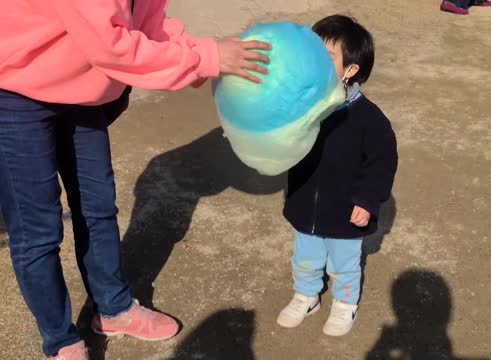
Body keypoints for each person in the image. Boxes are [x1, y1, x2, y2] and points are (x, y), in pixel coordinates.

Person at [0, 1, 270, 359]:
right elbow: (111, 45)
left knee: (97, 208)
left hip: (81, 87)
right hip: (15, 90)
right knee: (38, 231)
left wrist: (195, 53)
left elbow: (146, 22)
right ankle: (61, 341)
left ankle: (114, 308)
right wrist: (205, 57)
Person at [276, 15, 398, 337]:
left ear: (350, 70)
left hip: (346, 211)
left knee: (344, 263)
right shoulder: (303, 105)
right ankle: (306, 295)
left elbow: (382, 163)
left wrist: (368, 200)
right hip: (306, 204)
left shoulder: (369, 120)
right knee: (305, 256)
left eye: (325, 56)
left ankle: (345, 304)